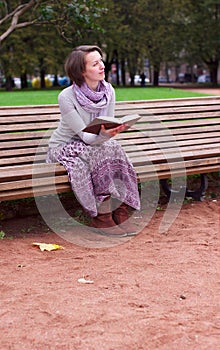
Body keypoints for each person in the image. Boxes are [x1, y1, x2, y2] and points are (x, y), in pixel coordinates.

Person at [46, 45, 140, 237]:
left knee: (112, 147)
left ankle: (120, 209)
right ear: (82, 71)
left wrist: (112, 132)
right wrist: (106, 136)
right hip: (64, 147)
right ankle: (102, 215)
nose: (102, 66)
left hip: (94, 144)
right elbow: (86, 137)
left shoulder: (109, 91)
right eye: (95, 63)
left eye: (101, 61)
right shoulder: (66, 96)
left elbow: (108, 124)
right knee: (103, 148)